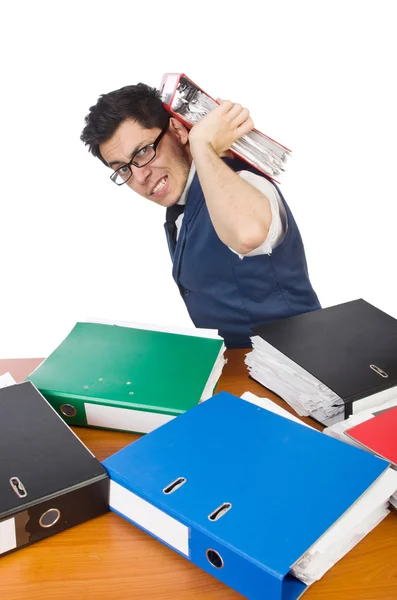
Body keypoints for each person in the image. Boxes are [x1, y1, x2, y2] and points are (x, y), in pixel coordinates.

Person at [80, 83, 320, 349]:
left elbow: (247, 235)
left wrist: (202, 144)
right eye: (123, 169)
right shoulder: (180, 205)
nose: (139, 176)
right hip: (240, 371)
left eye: (143, 151)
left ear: (178, 130)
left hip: (300, 368)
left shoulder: (242, 182)